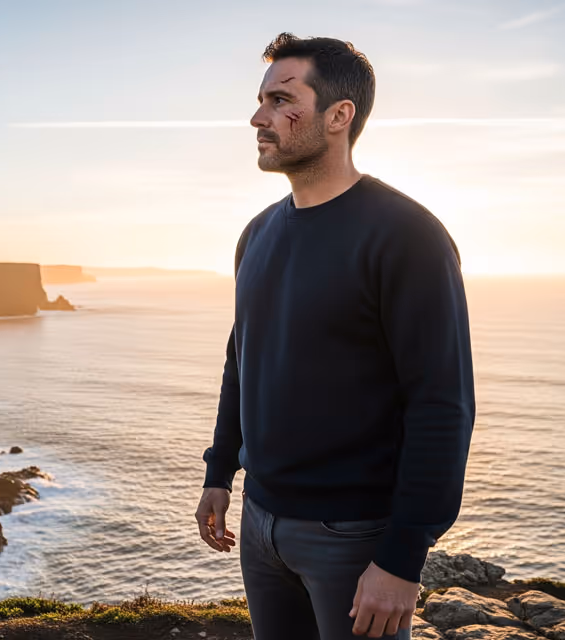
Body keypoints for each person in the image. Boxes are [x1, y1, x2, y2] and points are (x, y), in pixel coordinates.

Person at [195, 33, 476, 640]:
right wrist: (220, 472)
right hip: (260, 525)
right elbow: (242, 362)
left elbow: (442, 405)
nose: (258, 118)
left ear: (338, 115)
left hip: (353, 536)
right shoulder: (256, 235)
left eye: (280, 101)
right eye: (260, 101)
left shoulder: (407, 236)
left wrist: (402, 557)